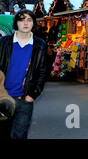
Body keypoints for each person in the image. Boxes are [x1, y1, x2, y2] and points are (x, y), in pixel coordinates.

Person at [0, 9, 47, 139]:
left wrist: (33, 94)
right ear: (16, 23)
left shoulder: (40, 45)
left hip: (24, 100)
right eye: (21, 19)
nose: (25, 23)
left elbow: (42, 72)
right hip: (3, 98)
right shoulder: (3, 42)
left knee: (19, 136)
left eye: (29, 20)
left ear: (33, 23)